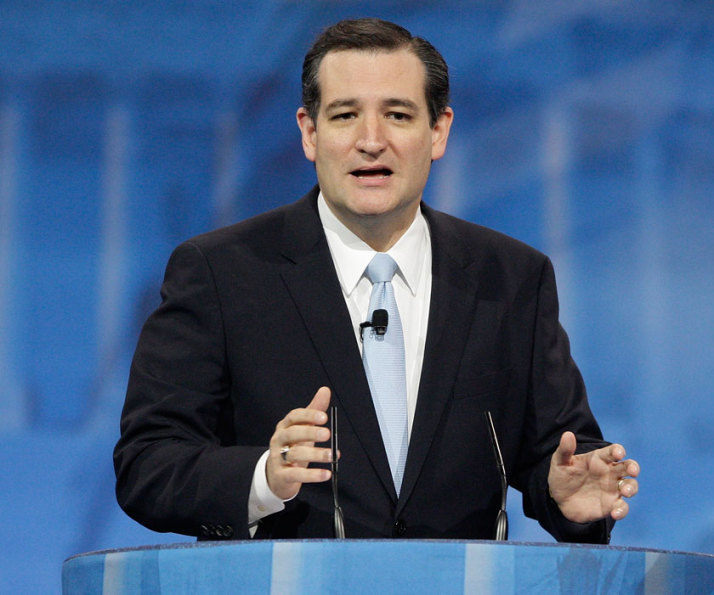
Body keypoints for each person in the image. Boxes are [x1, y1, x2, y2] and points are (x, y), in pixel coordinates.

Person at [114, 17, 639, 543]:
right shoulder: (222, 273)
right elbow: (149, 462)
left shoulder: (511, 278)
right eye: (345, 116)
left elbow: (562, 453)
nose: (372, 141)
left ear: (438, 131)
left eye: (398, 114)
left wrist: (572, 499)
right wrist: (263, 478)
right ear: (310, 133)